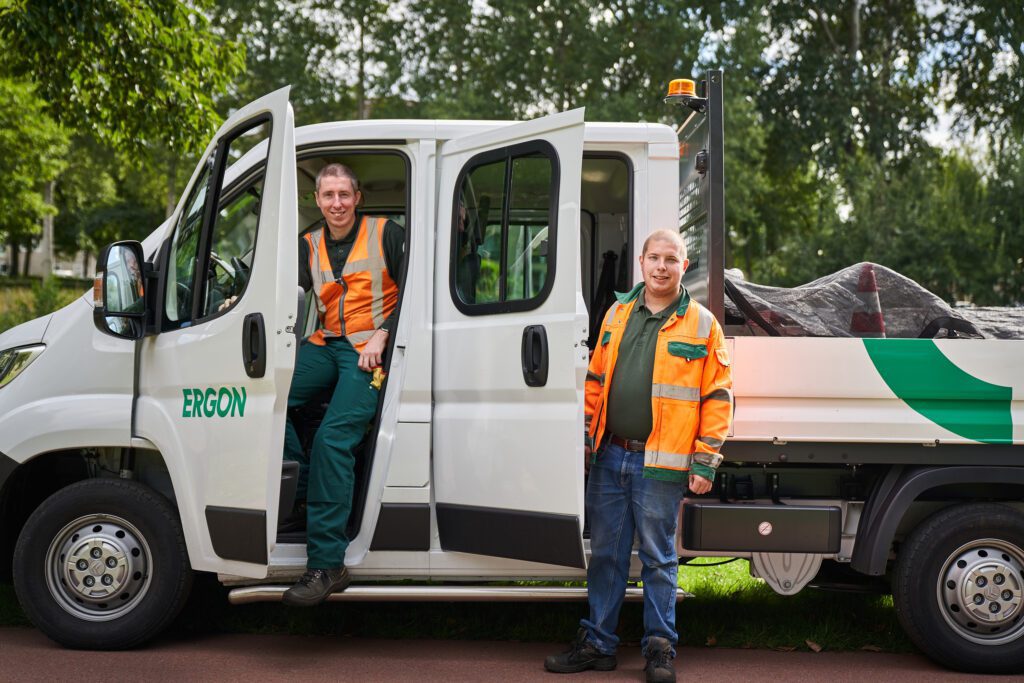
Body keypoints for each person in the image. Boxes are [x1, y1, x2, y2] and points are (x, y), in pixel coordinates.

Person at [544, 229, 732, 682]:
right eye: (655, 257)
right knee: (606, 555)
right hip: (610, 456)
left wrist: (705, 461)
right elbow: (595, 379)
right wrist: (589, 442)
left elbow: (719, 397)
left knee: (658, 558)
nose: (662, 266)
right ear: (642, 263)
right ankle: (598, 644)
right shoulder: (617, 312)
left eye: (671, 259)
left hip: (662, 463)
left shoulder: (704, 325)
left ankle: (660, 649)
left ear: (683, 267)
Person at [282, 163, 404, 607]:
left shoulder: (387, 233)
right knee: (266, 400)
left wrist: (384, 332)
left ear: (358, 198)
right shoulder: (308, 244)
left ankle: (327, 563)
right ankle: (306, 487)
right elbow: (287, 295)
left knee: (333, 438)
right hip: (327, 343)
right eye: (328, 195)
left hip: (370, 350)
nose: (337, 204)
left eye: (344, 195)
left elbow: (416, 291)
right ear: (317, 200)